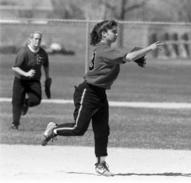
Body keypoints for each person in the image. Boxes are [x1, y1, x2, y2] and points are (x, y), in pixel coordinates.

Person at [41, 20, 163, 176]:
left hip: (99, 93)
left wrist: (140, 53)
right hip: (88, 92)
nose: (117, 34)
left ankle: (101, 164)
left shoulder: (107, 50)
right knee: (78, 129)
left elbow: (126, 55)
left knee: (102, 130)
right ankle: (54, 129)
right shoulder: (103, 50)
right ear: (104, 34)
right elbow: (128, 56)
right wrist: (149, 48)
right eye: (114, 31)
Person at [11, 31, 51, 130]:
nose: (37, 41)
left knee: (36, 100)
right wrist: (26, 74)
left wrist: (47, 77)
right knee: (16, 102)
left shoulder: (43, 53)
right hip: (20, 80)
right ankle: (15, 124)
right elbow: (15, 67)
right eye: (35, 38)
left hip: (34, 80)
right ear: (30, 40)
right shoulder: (23, 52)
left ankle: (25, 104)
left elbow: (45, 65)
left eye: (39, 39)